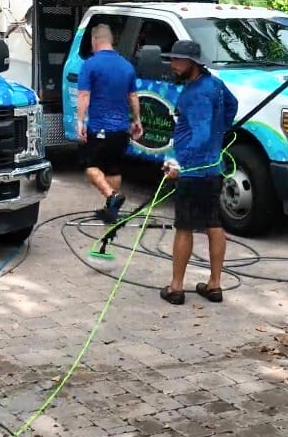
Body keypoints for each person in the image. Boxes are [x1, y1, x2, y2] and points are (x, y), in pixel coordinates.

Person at [159, 40, 238, 306]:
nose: (172, 65)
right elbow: (232, 104)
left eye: (177, 61)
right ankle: (214, 285)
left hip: (193, 171)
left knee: (184, 227)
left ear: (191, 63)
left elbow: (201, 134)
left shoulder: (195, 95)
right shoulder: (214, 84)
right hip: (213, 168)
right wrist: (222, 130)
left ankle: (176, 288)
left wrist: (180, 164)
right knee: (213, 224)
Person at [76, 23, 143, 222]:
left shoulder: (90, 64)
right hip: (121, 129)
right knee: (113, 169)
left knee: (91, 167)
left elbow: (83, 95)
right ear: (111, 41)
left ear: (94, 40)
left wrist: (80, 122)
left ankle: (112, 196)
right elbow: (133, 96)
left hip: (100, 127)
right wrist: (137, 120)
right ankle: (111, 211)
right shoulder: (126, 65)